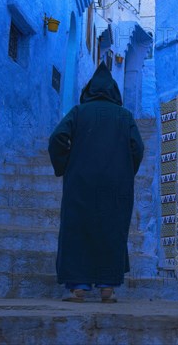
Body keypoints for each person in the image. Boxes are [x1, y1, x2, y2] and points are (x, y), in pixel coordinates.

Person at [48, 62, 144, 303]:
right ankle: (107, 287)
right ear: (114, 91)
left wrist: (64, 165)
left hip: (80, 182)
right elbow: (138, 147)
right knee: (111, 230)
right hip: (116, 185)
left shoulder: (79, 112)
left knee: (77, 229)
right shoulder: (125, 116)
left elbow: (58, 138)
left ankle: (78, 286)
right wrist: (125, 172)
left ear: (89, 90)